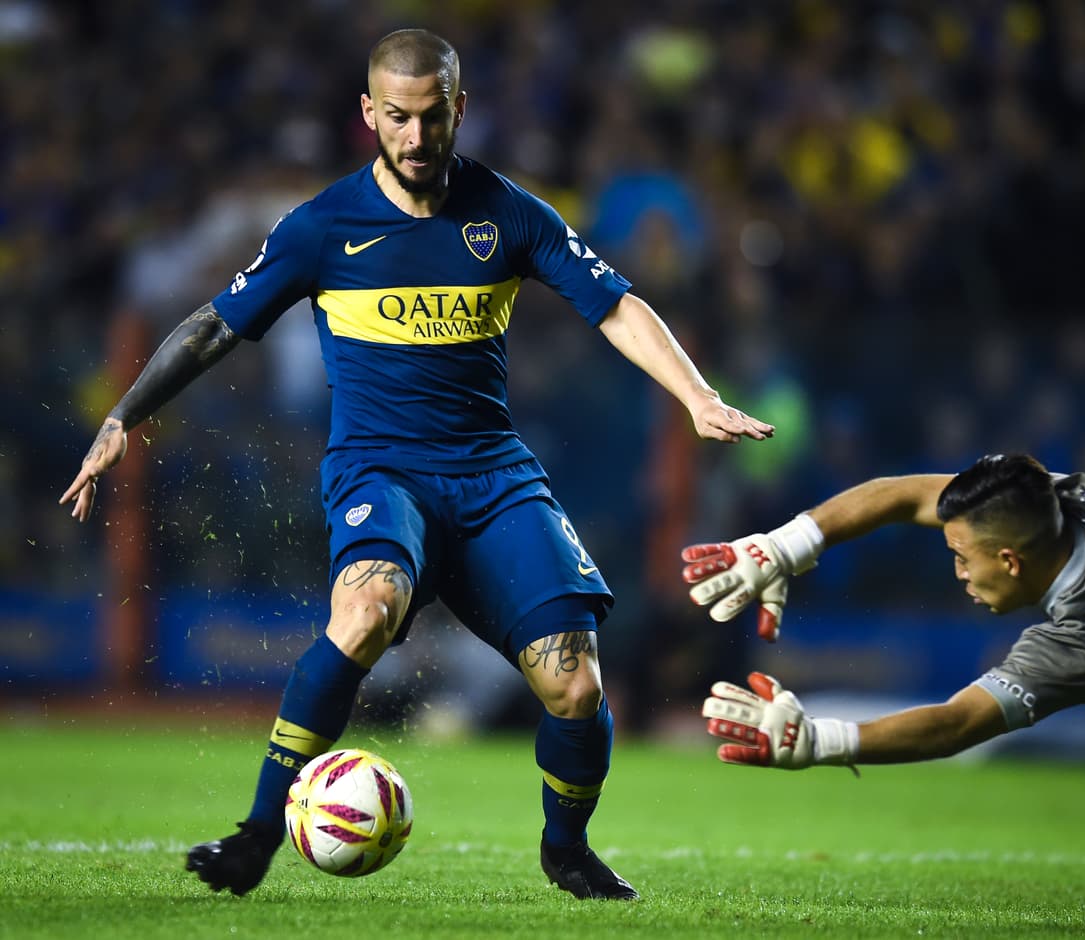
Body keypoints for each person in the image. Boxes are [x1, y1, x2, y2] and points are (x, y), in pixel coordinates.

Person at [61, 28, 774, 901]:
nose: (414, 137)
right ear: (368, 113)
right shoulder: (322, 227)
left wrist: (696, 398)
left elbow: (615, 306)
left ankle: (567, 850)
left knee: (577, 683)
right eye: (395, 117)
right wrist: (124, 417)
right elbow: (215, 324)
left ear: (459, 110)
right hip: (379, 474)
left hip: (492, 479)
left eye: (431, 117)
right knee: (362, 615)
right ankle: (256, 832)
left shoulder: (510, 213)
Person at [681, 454, 1085, 789]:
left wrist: (819, 740)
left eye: (962, 558)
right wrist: (785, 545)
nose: (959, 573)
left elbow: (955, 724)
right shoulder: (1074, 497)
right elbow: (905, 493)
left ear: (1010, 560)